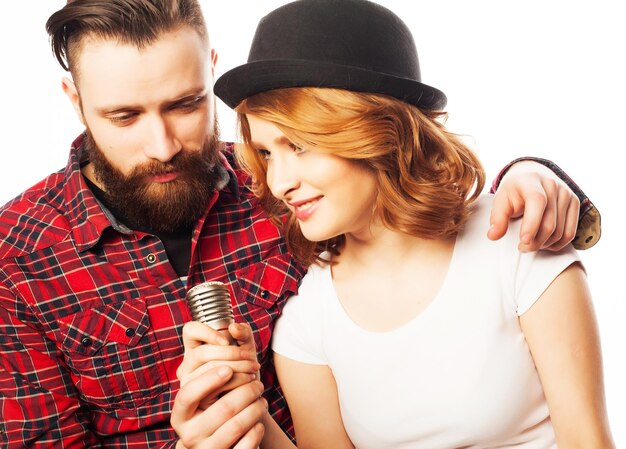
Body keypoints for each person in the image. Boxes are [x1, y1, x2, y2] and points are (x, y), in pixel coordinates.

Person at [0, 0, 600, 447]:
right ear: (75, 101)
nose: (163, 145)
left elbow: (398, 188)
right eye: (125, 116)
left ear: (212, 73)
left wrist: (533, 174)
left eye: (185, 104)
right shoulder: (18, 255)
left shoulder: (279, 189)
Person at [173, 0, 615, 448]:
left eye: (301, 145)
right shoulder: (308, 323)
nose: (280, 181)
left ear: (378, 132)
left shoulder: (518, 248)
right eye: (266, 153)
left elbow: (588, 440)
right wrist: (246, 414)